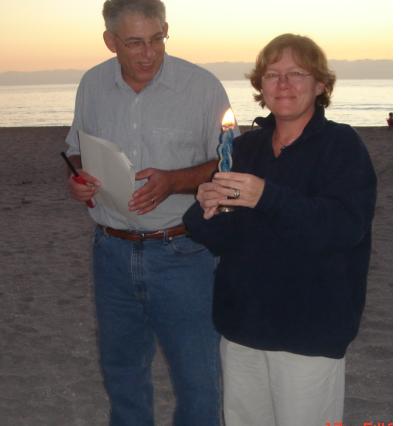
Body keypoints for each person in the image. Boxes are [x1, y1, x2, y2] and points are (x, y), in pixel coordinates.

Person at [183, 33, 377, 426]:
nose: (283, 83)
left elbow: (345, 229)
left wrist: (266, 196)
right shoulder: (244, 148)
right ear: (260, 85)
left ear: (320, 84)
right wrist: (205, 209)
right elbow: (222, 238)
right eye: (272, 74)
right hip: (242, 328)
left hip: (309, 331)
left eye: (296, 73)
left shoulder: (341, 146)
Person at [64, 1, 236, 424]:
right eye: (134, 42)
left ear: (166, 30)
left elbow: (231, 165)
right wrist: (79, 181)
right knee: (122, 375)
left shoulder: (202, 87)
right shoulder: (92, 85)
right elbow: (75, 150)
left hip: (184, 253)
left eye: (156, 39)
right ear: (110, 42)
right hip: (111, 252)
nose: (148, 53)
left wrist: (174, 181)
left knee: (198, 381)